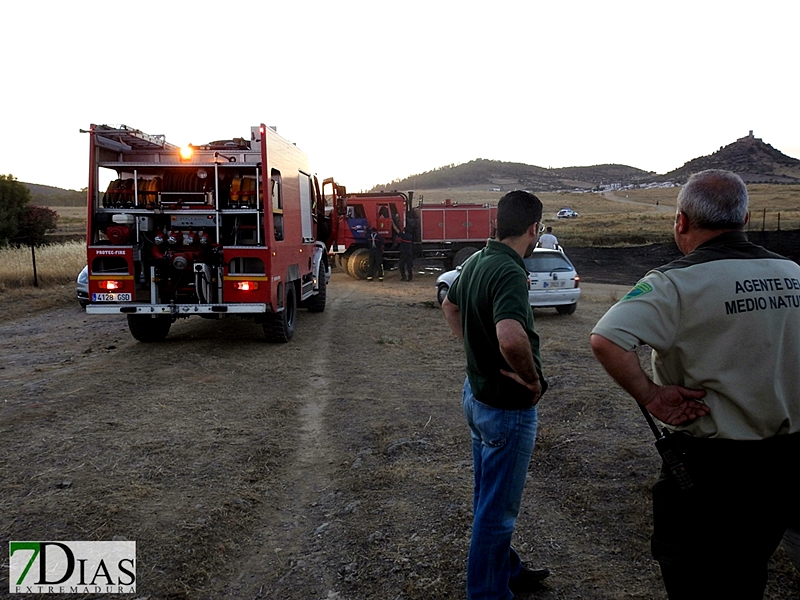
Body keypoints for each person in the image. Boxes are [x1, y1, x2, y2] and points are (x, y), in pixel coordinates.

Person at [590, 169, 800, 600]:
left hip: (711, 469)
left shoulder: (673, 283)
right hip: (786, 463)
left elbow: (606, 338)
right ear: (744, 220)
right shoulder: (795, 274)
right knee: (749, 571)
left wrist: (651, 395)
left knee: (697, 580)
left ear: (682, 222)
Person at [441, 190, 551, 599]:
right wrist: (533, 380)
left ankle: (508, 569)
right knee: (497, 514)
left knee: (487, 499)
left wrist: (474, 351)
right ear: (533, 229)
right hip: (506, 406)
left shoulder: (476, 261)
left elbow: (449, 307)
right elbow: (510, 336)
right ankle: (488, 593)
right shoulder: (508, 270)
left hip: (478, 396)